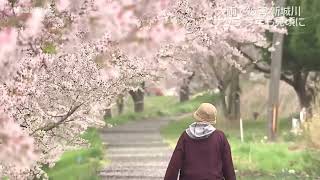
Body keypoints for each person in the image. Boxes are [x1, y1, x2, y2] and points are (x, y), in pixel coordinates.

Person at [164, 103, 236, 180]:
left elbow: (174, 164)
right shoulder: (220, 137)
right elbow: (228, 167)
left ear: (197, 116)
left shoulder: (185, 136)